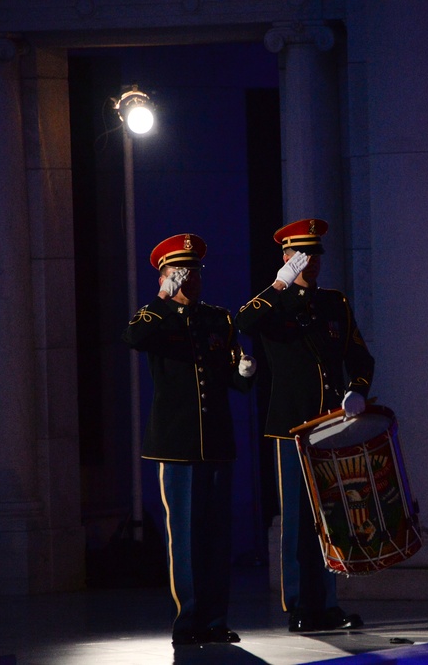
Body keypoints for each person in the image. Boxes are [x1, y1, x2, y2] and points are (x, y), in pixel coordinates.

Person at [235, 218, 374, 633]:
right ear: (286, 258)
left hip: (332, 422)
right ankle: (298, 603)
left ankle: (328, 603)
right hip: (292, 425)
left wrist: (358, 390)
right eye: (301, 255)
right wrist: (279, 285)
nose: (310, 261)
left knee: (332, 514)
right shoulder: (274, 306)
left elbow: (359, 356)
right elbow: (244, 324)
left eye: (314, 254)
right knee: (296, 521)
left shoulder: (335, 303)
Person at [122, 232, 256, 646]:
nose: (190, 278)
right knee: (185, 535)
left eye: (194, 270)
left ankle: (215, 618)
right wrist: (163, 298)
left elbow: (234, 376)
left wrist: (245, 372)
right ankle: (189, 620)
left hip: (216, 441)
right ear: (164, 275)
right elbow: (133, 338)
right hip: (176, 444)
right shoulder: (156, 319)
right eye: (181, 271)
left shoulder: (218, 319)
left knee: (217, 535)